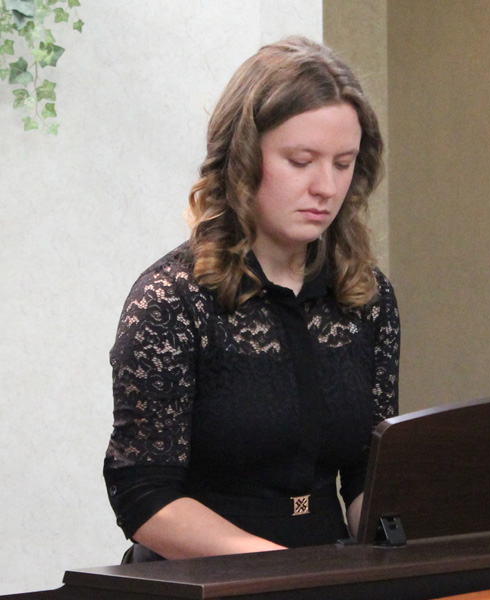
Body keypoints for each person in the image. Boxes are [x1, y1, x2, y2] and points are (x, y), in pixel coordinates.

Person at [102, 36, 400, 562]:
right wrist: (282, 570)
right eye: (301, 161)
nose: (326, 187)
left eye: (343, 163)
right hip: (204, 580)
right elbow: (144, 497)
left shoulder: (366, 296)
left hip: (328, 571)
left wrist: (395, 551)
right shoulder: (171, 299)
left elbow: (366, 478)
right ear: (241, 159)